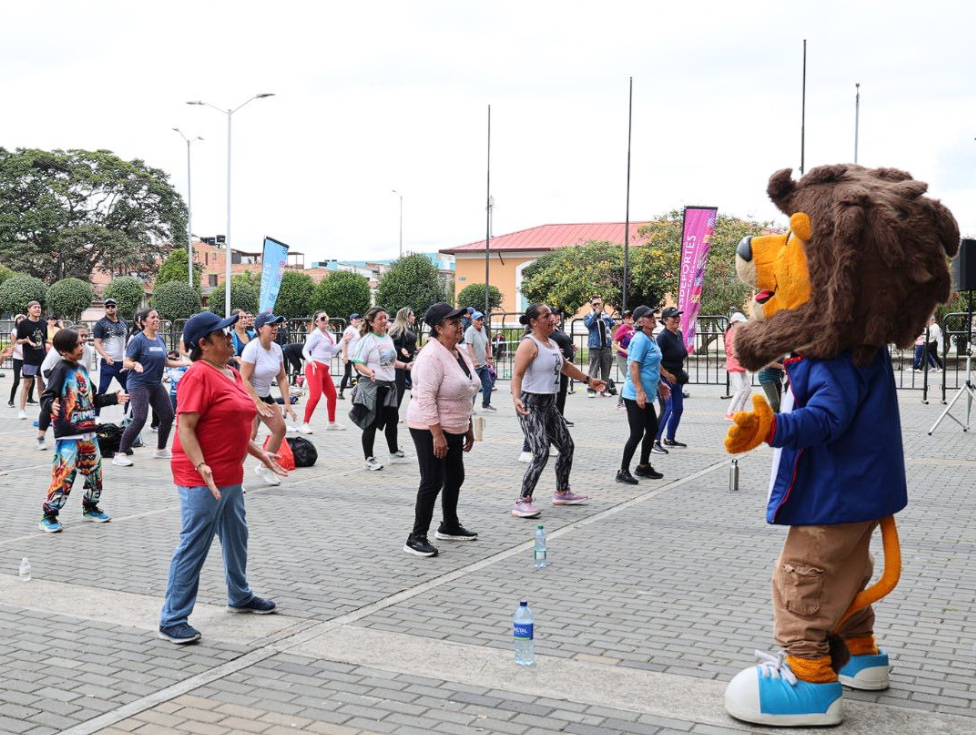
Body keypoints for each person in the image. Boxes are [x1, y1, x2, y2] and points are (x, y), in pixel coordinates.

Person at [158, 312, 286, 645]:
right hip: (202, 478)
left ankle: (239, 594)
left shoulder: (228, 372)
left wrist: (261, 454)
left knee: (236, 536)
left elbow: (229, 426)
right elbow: (185, 426)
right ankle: (172, 618)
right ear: (203, 343)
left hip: (230, 473)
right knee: (194, 545)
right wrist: (202, 466)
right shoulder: (197, 375)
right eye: (223, 334)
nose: (231, 338)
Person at [511, 303, 605, 518]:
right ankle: (522, 501)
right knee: (541, 451)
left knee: (567, 446)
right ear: (534, 322)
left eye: (552, 315)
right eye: (546, 316)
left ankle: (562, 492)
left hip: (548, 405)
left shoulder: (552, 343)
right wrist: (516, 398)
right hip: (530, 404)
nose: (552, 319)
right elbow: (517, 375)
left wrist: (589, 380)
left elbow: (565, 367)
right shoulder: (529, 344)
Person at [404, 302, 480, 557]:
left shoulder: (459, 351)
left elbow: (466, 390)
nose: (460, 326)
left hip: (455, 424)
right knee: (432, 480)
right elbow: (426, 398)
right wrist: (437, 434)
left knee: (455, 475)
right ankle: (416, 537)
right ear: (438, 328)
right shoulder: (430, 356)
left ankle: (449, 525)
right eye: (453, 322)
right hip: (428, 426)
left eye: (460, 321)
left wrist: (467, 425)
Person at [38, 328, 128, 533]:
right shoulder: (60, 369)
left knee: (94, 472)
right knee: (64, 474)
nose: (82, 347)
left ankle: (90, 507)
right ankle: (49, 515)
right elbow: (47, 394)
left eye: (82, 343)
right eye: (78, 345)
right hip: (69, 434)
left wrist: (114, 398)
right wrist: (50, 403)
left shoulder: (82, 369)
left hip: (88, 432)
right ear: (64, 350)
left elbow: (93, 398)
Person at [113, 309, 186, 466]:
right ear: (143, 322)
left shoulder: (159, 339)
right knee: (139, 418)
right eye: (153, 317)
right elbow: (126, 362)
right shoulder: (138, 340)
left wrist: (188, 363)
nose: (157, 319)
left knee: (167, 416)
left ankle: (160, 449)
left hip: (155, 384)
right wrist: (135, 364)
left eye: (158, 317)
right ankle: (120, 454)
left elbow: (166, 362)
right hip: (138, 384)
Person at [351, 306, 413, 471]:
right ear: (371, 322)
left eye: (385, 317)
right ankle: (369, 458)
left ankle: (393, 453)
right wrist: (368, 371)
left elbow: (391, 361)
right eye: (380, 318)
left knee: (392, 420)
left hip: (388, 386)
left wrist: (407, 366)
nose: (385, 321)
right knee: (370, 423)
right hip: (372, 386)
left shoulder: (386, 338)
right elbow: (358, 363)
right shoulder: (367, 340)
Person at [240, 313, 297, 486]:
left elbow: (281, 377)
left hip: (265, 395)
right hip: (248, 396)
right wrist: (257, 403)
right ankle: (235, 477)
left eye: (277, 325)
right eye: (271, 325)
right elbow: (244, 379)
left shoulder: (277, 349)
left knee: (280, 429)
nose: (275, 328)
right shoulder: (252, 348)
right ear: (259, 329)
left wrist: (287, 403)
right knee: (248, 436)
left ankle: (264, 468)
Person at [616, 306, 670, 484]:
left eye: (653, 315)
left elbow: (653, 365)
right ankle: (622, 471)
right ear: (640, 321)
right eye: (648, 316)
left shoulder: (651, 338)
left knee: (653, 429)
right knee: (637, 433)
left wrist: (660, 383)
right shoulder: (640, 339)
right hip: (634, 394)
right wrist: (639, 392)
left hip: (647, 393)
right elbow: (634, 366)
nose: (653, 318)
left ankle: (643, 466)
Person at [37, 325, 94, 451]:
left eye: (85, 336)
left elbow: (86, 372)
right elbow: (45, 368)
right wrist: (54, 387)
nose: (84, 340)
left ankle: (79, 432)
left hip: (75, 382)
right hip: (54, 379)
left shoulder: (87, 350)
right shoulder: (60, 352)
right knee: (50, 407)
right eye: (81, 336)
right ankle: (41, 436)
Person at [300, 310, 348, 433]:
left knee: (332, 395)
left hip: (324, 369)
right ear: (316, 322)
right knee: (315, 396)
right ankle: (304, 423)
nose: (325, 320)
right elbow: (305, 350)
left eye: (326, 317)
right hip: (314, 368)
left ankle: (331, 422)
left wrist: (344, 340)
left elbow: (333, 351)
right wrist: (310, 361)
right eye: (322, 318)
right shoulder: (315, 334)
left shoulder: (330, 335)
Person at [654, 306, 689, 452]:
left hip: (677, 379)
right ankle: (654, 441)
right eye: (673, 316)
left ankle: (670, 439)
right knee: (666, 409)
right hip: (664, 379)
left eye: (678, 316)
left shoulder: (678, 334)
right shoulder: (662, 337)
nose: (677, 318)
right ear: (665, 320)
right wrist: (667, 375)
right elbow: (655, 359)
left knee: (678, 409)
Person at [93, 297, 129, 415]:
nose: (110, 308)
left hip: (122, 363)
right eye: (107, 306)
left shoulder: (124, 322)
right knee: (102, 390)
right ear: (104, 308)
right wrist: (106, 356)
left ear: (116, 307)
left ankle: (126, 415)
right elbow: (97, 343)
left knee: (129, 388)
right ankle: (96, 417)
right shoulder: (100, 324)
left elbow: (127, 340)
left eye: (112, 306)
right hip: (107, 363)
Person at [15, 300, 47, 420]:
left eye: (39, 307)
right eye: (35, 307)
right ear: (29, 310)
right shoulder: (23, 324)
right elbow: (18, 340)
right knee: (27, 384)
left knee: (41, 385)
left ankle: (43, 410)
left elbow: (46, 340)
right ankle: (22, 410)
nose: (37, 309)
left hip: (42, 358)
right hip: (29, 358)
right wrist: (26, 341)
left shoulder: (44, 323)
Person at [583, 295, 614, 397]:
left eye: (599, 304)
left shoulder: (606, 315)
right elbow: (588, 324)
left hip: (606, 346)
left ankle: (605, 390)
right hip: (594, 346)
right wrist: (595, 315)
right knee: (593, 369)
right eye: (595, 304)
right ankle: (592, 390)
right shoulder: (588, 316)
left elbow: (612, 325)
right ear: (591, 305)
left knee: (606, 369)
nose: (597, 306)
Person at [464, 311, 495, 412]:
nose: (481, 321)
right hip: (475, 365)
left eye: (481, 319)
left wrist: (489, 357)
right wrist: (474, 360)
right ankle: (469, 408)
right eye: (478, 319)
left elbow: (486, 343)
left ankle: (486, 404)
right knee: (474, 386)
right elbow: (469, 345)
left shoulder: (483, 329)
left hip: (483, 363)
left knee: (488, 384)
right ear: (473, 321)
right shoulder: (470, 330)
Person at [724, 312, 752, 419]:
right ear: (734, 323)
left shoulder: (737, 332)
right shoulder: (731, 334)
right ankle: (729, 413)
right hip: (734, 366)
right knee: (740, 390)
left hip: (740, 366)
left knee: (748, 389)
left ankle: (740, 411)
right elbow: (732, 350)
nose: (742, 325)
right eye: (741, 322)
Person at [390, 307, 418, 408]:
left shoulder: (408, 328)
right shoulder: (397, 329)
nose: (414, 317)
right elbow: (391, 344)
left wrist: (417, 348)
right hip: (400, 364)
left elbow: (409, 342)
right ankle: (393, 414)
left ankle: (416, 410)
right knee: (399, 390)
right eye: (412, 315)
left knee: (417, 388)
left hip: (409, 363)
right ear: (406, 317)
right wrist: (401, 349)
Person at [8, 314, 35, 408]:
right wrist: (21, 354)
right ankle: (10, 401)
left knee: (31, 380)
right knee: (16, 381)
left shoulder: (27, 331)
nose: (21, 319)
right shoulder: (14, 331)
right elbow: (13, 345)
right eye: (19, 318)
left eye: (22, 318)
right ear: (16, 321)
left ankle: (30, 399)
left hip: (27, 359)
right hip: (17, 359)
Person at [612, 310, 634, 410]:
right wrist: (625, 351)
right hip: (622, 357)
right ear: (624, 319)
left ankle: (629, 401)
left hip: (632, 358)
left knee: (631, 379)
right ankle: (620, 403)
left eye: (631, 316)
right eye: (627, 317)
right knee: (629, 379)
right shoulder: (623, 328)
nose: (630, 318)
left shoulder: (634, 328)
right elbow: (614, 344)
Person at [338, 313, 362, 400]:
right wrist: (345, 356)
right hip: (348, 356)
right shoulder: (349, 330)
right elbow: (345, 343)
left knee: (360, 373)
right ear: (351, 321)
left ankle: (356, 390)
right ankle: (340, 392)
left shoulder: (357, 329)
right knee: (347, 373)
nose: (357, 320)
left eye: (359, 319)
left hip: (355, 356)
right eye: (355, 319)